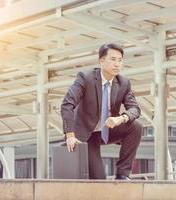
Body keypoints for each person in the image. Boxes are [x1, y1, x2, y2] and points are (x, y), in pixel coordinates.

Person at [61, 43, 142, 180]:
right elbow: (67, 104)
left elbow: (135, 109)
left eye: (120, 60)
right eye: (113, 59)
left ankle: (122, 174)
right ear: (101, 61)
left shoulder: (123, 83)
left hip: (108, 129)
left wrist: (120, 118)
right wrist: (70, 135)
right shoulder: (85, 78)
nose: (117, 64)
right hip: (87, 134)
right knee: (99, 179)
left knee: (136, 126)